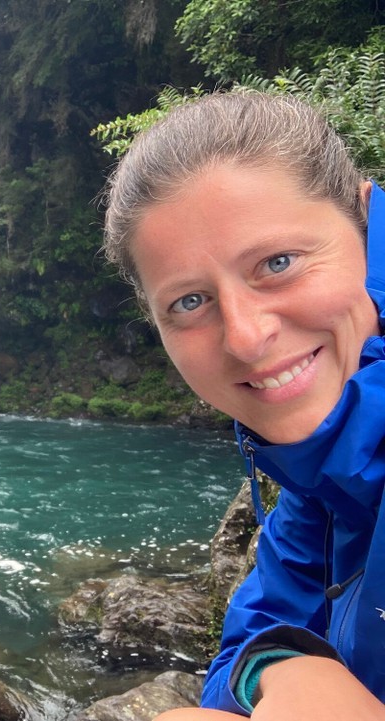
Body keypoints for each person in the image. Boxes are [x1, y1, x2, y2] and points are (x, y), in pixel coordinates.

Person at [102, 90, 385, 720]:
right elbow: (255, 632)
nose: (245, 337)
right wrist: (282, 669)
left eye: (278, 263)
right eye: (190, 302)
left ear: (366, 224)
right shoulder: (320, 469)